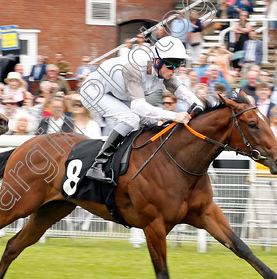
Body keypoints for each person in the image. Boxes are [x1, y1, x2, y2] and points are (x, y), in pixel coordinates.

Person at [79, 37, 202, 183]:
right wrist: (175, 116)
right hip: (94, 92)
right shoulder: (135, 67)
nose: (175, 69)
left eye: (178, 64)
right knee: (131, 119)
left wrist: (200, 104)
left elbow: (181, 90)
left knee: (150, 121)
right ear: (157, 61)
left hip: (118, 93)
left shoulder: (162, 68)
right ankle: (97, 165)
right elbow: (138, 106)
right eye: (171, 64)